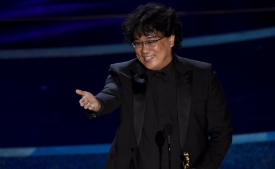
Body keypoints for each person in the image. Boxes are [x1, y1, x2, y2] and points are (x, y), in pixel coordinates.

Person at [76, 2, 232, 169]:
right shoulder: (123, 73)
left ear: (171, 39)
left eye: (151, 41)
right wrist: (99, 103)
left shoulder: (202, 75)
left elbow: (222, 133)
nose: (144, 50)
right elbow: (111, 93)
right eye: (138, 43)